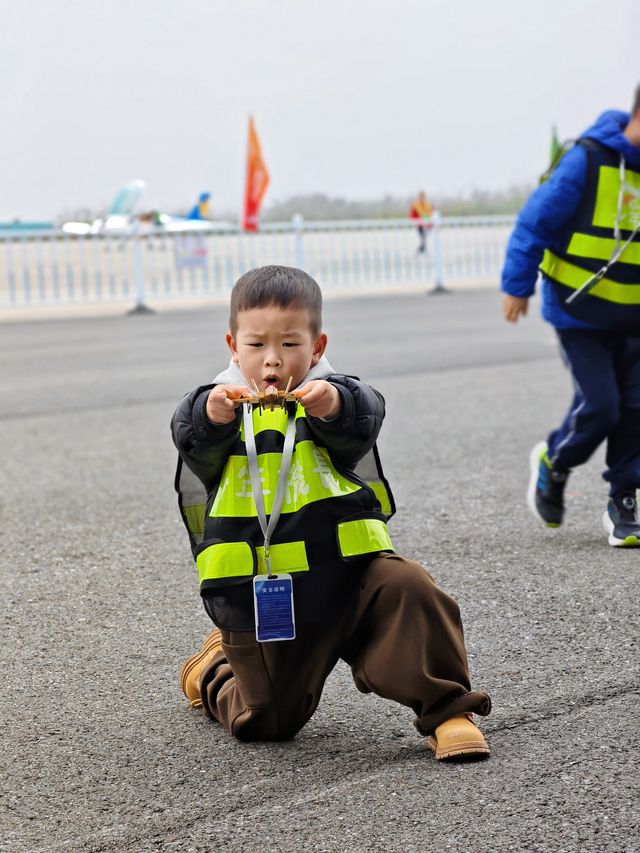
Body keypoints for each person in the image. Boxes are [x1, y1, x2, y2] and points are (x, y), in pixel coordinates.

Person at [171, 265, 491, 760]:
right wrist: (208, 416)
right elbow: (192, 438)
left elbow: (365, 416)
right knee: (267, 721)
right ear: (233, 346)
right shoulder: (219, 403)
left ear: (317, 346)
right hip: (271, 594)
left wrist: (336, 403)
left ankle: (448, 710)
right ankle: (215, 667)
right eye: (256, 346)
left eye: (291, 345)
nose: (272, 361)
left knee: (409, 586)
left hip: (352, 577)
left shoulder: (330, 392)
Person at [501, 85, 640, 547]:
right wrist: (517, 286)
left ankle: (625, 502)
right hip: (580, 314)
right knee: (602, 407)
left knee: (636, 412)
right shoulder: (587, 159)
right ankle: (554, 464)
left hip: (635, 317)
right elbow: (533, 223)